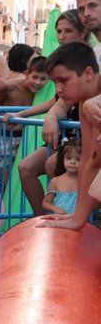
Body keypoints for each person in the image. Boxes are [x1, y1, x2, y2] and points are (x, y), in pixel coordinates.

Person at [11, 9, 87, 215]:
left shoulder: (91, 60)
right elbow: (59, 100)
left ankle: (69, 219)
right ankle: (44, 219)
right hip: (66, 135)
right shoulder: (64, 61)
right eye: (59, 31)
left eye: (67, 30)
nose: (61, 36)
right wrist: (29, 114)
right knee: (25, 168)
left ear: (82, 32)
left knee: (53, 165)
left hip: (86, 135)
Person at [39, 42, 101, 232]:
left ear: (88, 74)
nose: (58, 89)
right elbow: (91, 160)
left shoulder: (91, 103)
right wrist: (77, 217)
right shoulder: (84, 103)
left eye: (63, 80)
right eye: (54, 82)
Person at [0, 56, 49, 173]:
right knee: (5, 181)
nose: (38, 82)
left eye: (43, 79)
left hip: (25, 138)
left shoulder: (43, 94)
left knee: (18, 178)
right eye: (34, 77)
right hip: (3, 137)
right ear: (26, 74)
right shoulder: (10, 86)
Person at [42, 139, 81, 215]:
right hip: (57, 222)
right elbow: (45, 203)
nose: (72, 162)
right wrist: (55, 209)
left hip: (78, 223)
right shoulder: (56, 181)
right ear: (63, 159)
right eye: (69, 158)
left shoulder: (85, 182)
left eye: (78, 159)